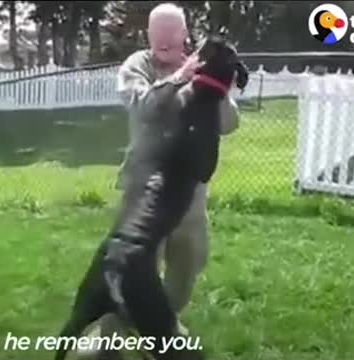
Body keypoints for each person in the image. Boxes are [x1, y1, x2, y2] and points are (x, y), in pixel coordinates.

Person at [76, 3, 241, 360]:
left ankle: (158, 328)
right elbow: (144, 107)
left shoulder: (205, 65)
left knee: (188, 265)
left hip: (189, 192)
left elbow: (229, 123)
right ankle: (106, 343)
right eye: (158, 33)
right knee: (130, 271)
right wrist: (183, 75)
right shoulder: (137, 66)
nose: (165, 40)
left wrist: (215, 84)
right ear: (149, 35)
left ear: (185, 34)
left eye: (172, 32)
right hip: (143, 191)